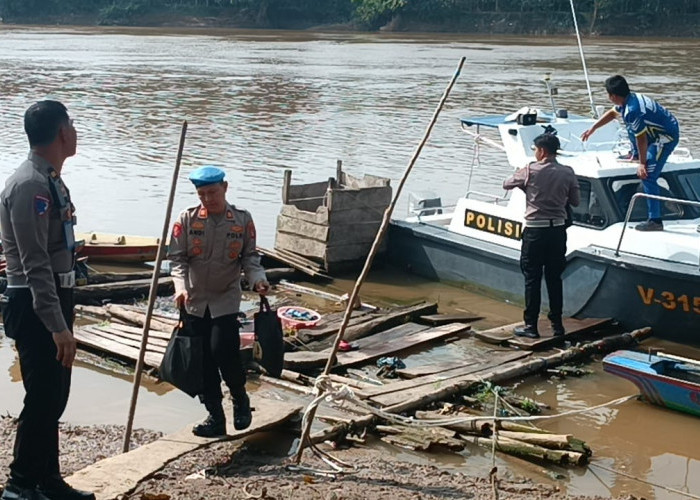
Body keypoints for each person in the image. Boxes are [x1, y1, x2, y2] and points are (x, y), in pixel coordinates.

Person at [0, 101, 95, 500]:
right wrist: (57, 327)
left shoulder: (50, 178)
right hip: (36, 302)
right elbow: (35, 264)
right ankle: (20, 485)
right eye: (71, 124)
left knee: (55, 393)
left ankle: (47, 480)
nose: (75, 131)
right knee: (42, 396)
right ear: (60, 133)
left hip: (54, 295)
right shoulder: (30, 186)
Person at [168, 165, 270, 437]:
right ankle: (215, 415)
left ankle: (240, 399)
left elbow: (250, 258)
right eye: (202, 194)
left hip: (225, 299)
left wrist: (258, 278)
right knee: (202, 361)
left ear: (225, 188)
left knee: (223, 352)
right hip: (193, 300)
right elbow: (177, 260)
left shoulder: (242, 221)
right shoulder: (187, 220)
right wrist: (179, 287)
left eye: (212, 192)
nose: (208, 199)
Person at [503, 133, 580, 339]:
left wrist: (525, 183)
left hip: (535, 232)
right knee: (555, 278)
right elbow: (575, 201)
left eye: (535, 149)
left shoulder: (530, 170)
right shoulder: (568, 172)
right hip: (557, 231)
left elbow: (506, 183)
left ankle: (531, 326)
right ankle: (557, 326)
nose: (535, 153)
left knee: (532, 278)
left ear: (542, 151)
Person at [581, 75, 679, 231]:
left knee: (648, 175)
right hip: (653, 133)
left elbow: (642, 139)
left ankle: (655, 220)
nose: (608, 98)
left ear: (613, 95)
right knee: (632, 128)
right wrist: (593, 128)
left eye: (608, 95)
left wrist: (642, 163)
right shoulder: (629, 100)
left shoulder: (632, 110)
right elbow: (613, 113)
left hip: (665, 138)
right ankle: (634, 154)